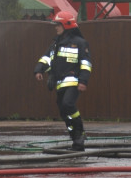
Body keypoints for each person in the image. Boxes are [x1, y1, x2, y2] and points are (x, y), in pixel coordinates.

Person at [34, 10, 92, 151]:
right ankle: (76, 138)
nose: (56, 27)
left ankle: (79, 135)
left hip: (73, 81)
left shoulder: (80, 43)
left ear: (67, 25)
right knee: (63, 111)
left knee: (68, 104)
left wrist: (83, 81)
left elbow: (86, 63)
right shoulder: (55, 43)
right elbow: (47, 57)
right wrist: (39, 69)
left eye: (58, 24)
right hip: (59, 83)